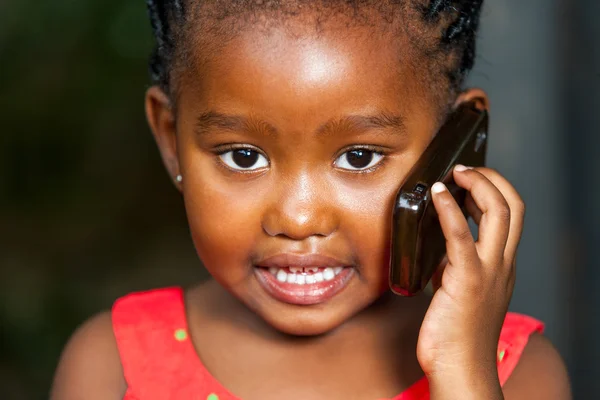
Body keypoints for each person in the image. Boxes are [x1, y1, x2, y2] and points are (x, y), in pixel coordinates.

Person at [51, 0, 571, 399]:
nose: (298, 219)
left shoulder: (516, 371)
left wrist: (464, 376)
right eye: (244, 157)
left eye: (360, 157)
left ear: (455, 144)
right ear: (170, 140)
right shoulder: (109, 366)